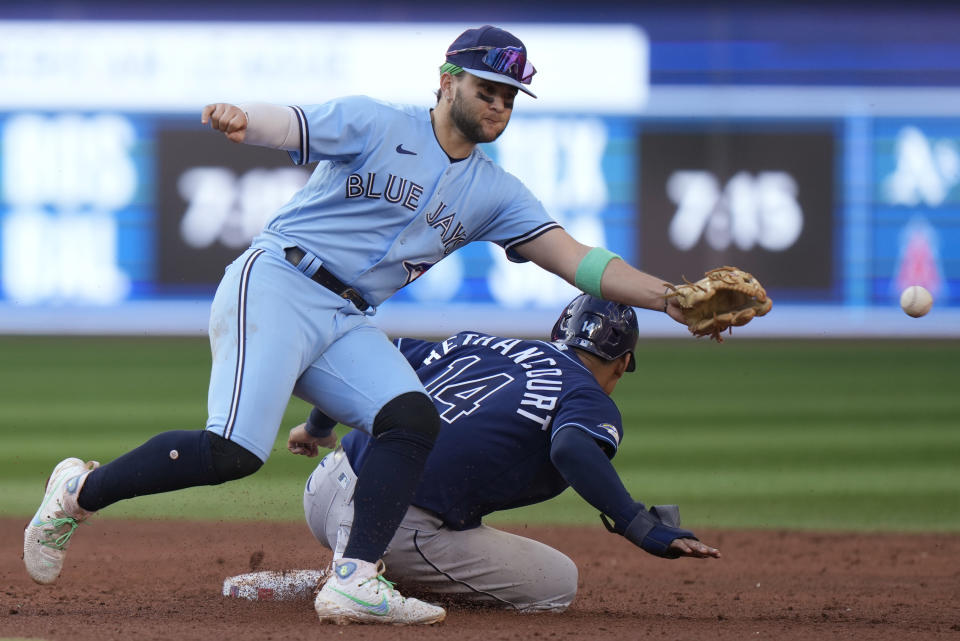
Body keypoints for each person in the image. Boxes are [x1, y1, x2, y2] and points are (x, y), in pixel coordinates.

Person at [23, 25, 689, 626]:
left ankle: (354, 578)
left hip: (346, 317)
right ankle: (79, 491)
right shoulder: (378, 122)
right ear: (447, 80)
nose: (499, 106)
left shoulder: (495, 193)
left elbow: (579, 260)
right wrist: (241, 117)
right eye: (488, 89)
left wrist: (672, 298)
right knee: (234, 452)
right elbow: (293, 123)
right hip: (279, 281)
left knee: (410, 417)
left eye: (510, 98)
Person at [289, 295, 721, 612]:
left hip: (325, 488)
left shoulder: (477, 343)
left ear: (559, 334)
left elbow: (372, 360)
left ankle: (350, 564)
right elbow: (572, 448)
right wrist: (637, 524)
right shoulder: (586, 395)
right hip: (394, 529)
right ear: (623, 363)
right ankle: (361, 579)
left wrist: (316, 427)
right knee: (557, 583)